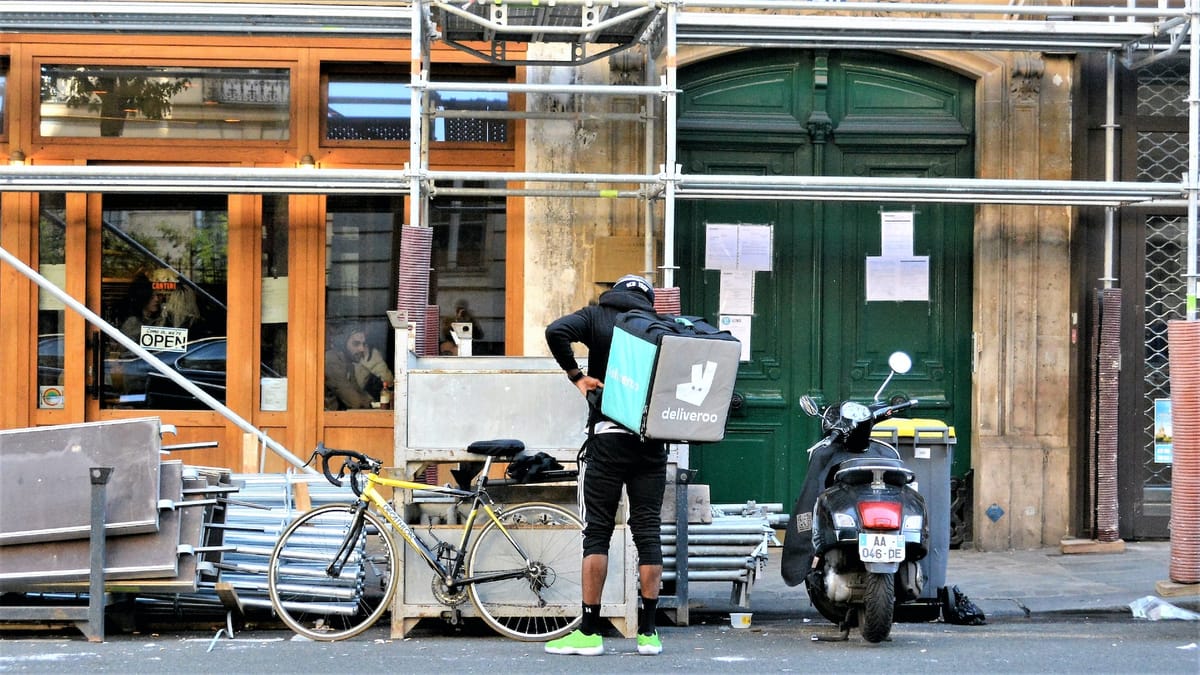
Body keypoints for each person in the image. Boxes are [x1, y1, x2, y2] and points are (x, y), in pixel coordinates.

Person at [543, 274, 667, 657]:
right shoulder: (660, 328)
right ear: (647, 299)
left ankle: (590, 631)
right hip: (652, 442)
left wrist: (577, 376)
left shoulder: (597, 317)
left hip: (608, 437)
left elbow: (555, 331)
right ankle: (648, 632)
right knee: (647, 530)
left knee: (597, 532)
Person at [324, 323, 383, 410]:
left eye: (363, 344)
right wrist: (370, 405)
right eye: (356, 344)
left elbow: (357, 391)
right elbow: (353, 400)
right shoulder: (331, 360)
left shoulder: (348, 363)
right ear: (342, 343)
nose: (362, 349)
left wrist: (372, 402)